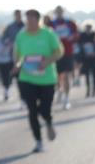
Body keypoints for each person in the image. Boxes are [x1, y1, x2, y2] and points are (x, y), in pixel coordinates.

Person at [13, 9, 63, 153]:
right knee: (32, 110)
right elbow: (17, 55)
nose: (28, 22)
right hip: (27, 78)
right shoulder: (21, 36)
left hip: (47, 78)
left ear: (38, 20)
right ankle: (38, 141)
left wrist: (47, 61)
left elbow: (59, 51)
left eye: (31, 19)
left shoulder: (48, 34)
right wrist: (17, 65)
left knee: (45, 108)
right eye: (27, 19)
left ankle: (48, 121)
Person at [49, 6, 79, 110]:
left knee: (66, 75)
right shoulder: (51, 24)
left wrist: (72, 37)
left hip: (68, 52)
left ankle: (66, 98)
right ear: (55, 13)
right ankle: (59, 89)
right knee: (57, 76)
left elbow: (76, 35)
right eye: (57, 12)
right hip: (55, 53)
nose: (59, 13)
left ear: (63, 12)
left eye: (60, 12)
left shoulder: (70, 23)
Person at [77, 21, 95, 97]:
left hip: (94, 58)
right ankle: (88, 91)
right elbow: (79, 46)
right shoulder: (82, 35)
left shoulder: (94, 35)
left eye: (89, 27)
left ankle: (94, 91)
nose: (88, 29)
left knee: (94, 76)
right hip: (86, 59)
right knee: (87, 76)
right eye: (87, 27)